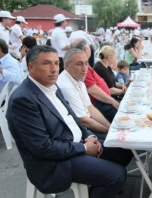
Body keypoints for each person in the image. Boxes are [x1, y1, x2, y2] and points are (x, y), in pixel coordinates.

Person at [6, 45, 133, 198]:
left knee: (123, 149)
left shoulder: (52, 87)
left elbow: (75, 119)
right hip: (54, 163)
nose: (54, 69)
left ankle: (97, 187)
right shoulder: (23, 99)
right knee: (117, 175)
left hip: (74, 144)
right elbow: (43, 148)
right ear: (31, 67)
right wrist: (84, 148)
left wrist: (90, 136)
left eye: (56, 63)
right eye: (47, 63)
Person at [57, 48, 111, 140]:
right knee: (119, 147)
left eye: (86, 63)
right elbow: (83, 121)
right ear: (67, 66)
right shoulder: (66, 86)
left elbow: (90, 108)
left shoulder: (78, 79)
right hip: (78, 132)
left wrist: (110, 128)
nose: (84, 68)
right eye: (79, 64)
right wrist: (108, 131)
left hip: (87, 125)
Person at [71, 38, 119, 123]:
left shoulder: (88, 67)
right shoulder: (84, 69)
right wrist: (113, 101)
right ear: (86, 49)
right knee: (122, 115)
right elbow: (93, 91)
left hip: (104, 101)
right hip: (100, 103)